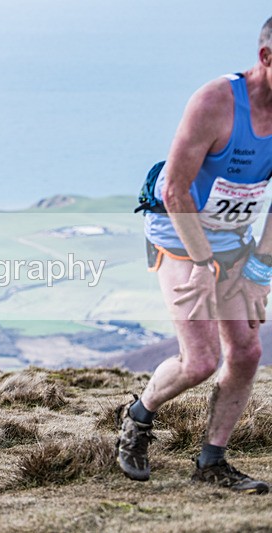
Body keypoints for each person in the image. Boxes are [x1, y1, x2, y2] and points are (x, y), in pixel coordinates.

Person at [119, 16, 272, 494]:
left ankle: (212, 461)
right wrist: (204, 264)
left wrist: (259, 270)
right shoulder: (216, 102)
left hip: (231, 235)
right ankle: (138, 417)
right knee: (200, 360)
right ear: (266, 57)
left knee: (246, 352)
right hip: (177, 227)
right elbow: (175, 190)